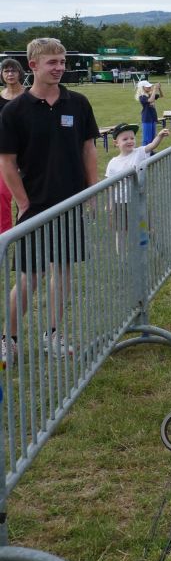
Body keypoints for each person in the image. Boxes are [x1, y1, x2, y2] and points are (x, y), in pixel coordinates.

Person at [0, 38, 100, 362]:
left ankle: (53, 334)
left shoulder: (78, 103)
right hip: (37, 206)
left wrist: (91, 192)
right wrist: (25, 203)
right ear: (33, 65)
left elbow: (88, 149)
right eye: (52, 62)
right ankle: (8, 338)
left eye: (62, 61)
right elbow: (7, 162)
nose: (59, 68)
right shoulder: (14, 111)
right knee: (30, 276)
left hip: (72, 201)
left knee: (65, 271)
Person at [0, 58, 25, 232]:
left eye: (13, 71)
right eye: (6, 71)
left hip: (27, 152)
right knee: (2, 195)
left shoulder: (29, 95)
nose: (10, 74)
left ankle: (26, 231)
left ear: (19, 73)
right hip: (4, 153)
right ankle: (6, 235)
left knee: (26, 197)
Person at [136, 79, 163, 146]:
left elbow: (161, 96)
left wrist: (159, 89)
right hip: (147, 118)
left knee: (152, 137)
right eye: (147, 86)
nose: (149, 87)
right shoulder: (142, 97)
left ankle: (151, 152)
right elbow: (150, 100)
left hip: (153, 117)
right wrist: (154, 90)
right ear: (142, 88)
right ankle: (144, 154)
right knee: (146, 139)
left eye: (149, 86)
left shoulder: (150, 94)